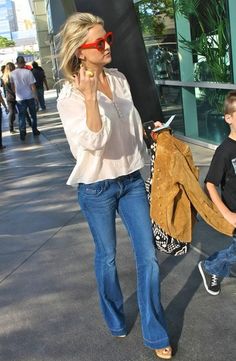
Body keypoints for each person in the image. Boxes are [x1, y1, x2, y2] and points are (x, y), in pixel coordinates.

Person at [57, 12, 172, 360]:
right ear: (80, 51)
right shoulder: (70, 97)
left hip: (130, 180)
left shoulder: (120, 79)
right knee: (107, 258)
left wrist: (149, 135)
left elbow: (129, 124)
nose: (107, 44)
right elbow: (93, 142)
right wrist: (91, 98)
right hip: (96, 188)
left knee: (148, 257)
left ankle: (155, 332)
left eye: (107, 37)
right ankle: (115, 318)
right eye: (98, 42)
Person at [198, 91, 236, 296]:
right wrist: (227, 213)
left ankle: (217, 266)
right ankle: (210, 267)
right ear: (228, 118)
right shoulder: (224, 151)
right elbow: (210, 184)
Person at [10, 56, 40, 141]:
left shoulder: (12, 73)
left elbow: (12, 86)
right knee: (33, 115)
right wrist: (36, 97)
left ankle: (22, 132)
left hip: (20, 98)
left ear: (17, 63)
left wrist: (16, 93)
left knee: (21, 116)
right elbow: (33, 86)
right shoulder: (28, 72)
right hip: (30, 96)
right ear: (24, 63)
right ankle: (35, 130)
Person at [2, 62, 17, 133]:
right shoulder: (12, 76)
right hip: (15, 95)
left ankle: (11, 128)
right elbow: (14, 87)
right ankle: (30, 123)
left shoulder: (4, 77)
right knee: (23, 111)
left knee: (11, 112)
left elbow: (5, 88)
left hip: (8, 96)